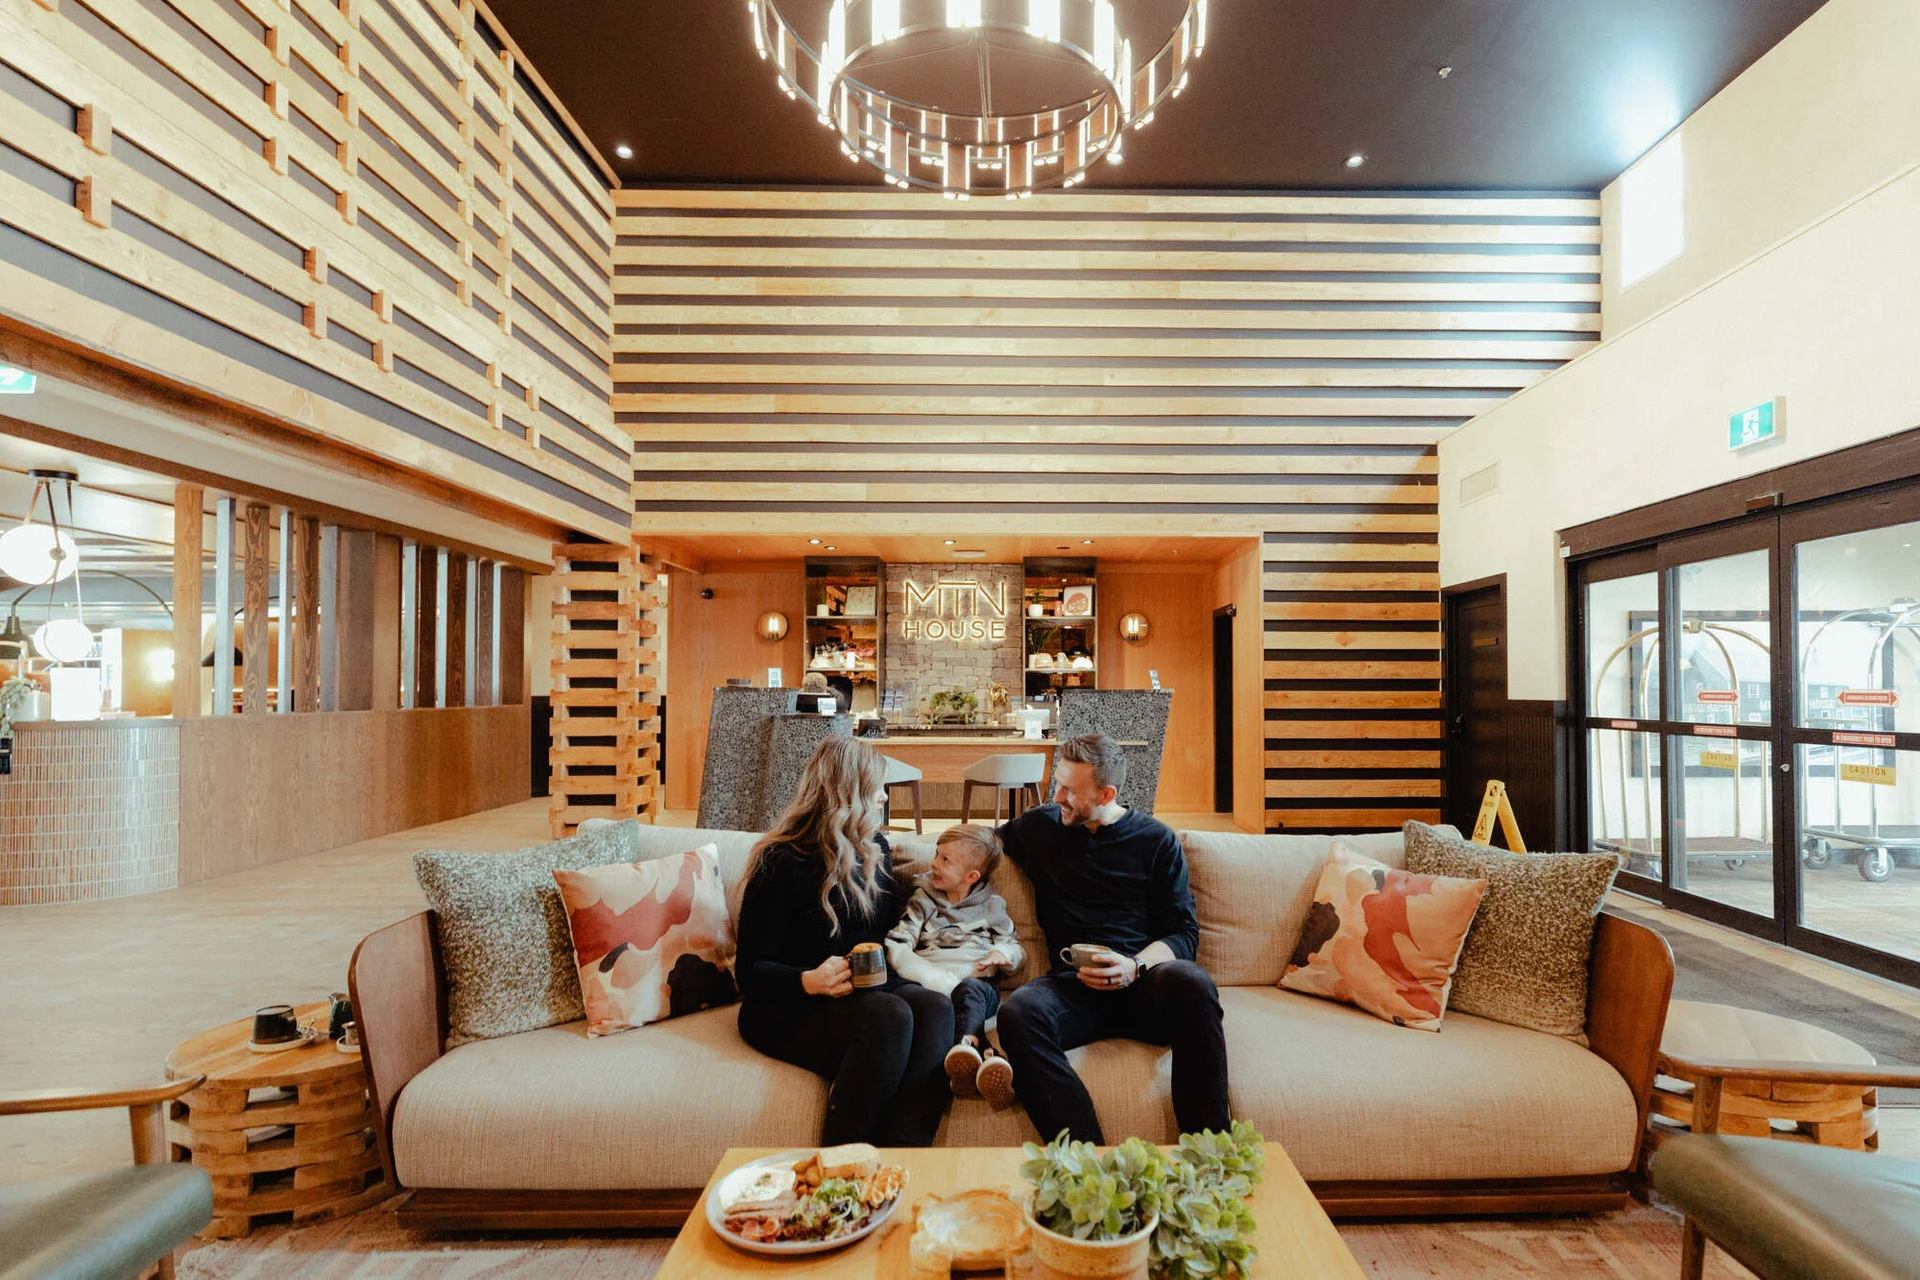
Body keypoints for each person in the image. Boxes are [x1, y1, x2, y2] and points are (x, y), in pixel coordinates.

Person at [994, 733, 1229, 1144]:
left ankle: (1211, 1158)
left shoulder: (1156, 841)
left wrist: (1134, 966)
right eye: (1058, 784)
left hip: (1142, 986)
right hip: (1073, 991)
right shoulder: (1039, 828)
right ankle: (1087, 1164)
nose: (1058, 797)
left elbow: (1183, 933)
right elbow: (980, 845)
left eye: (1070, 790)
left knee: (1192, 982)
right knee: (1018, 1012)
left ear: (1106, 793)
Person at [734, 736, 953, 1146]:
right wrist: (808, 980)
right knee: (891, 1016)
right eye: (877, 789)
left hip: (859, 995)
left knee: (937, 1007)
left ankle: (904, 1156)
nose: (885, 797)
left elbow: (883, 935)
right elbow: (749, 972)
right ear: (848, 794)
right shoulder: (781, 860)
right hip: (789, 1006)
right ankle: (841, 1170)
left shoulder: (877, 851)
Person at [883, 824, 1024, 1107]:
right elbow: (897, 944)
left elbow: (1014, 945)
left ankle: (966, 1049)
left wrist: (1004, 954)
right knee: (940, 1005)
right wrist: (935, 979)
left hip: (977, 984)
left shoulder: (993, 906)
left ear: (971, 876)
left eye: (945, 860)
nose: (934, 863)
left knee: (971, 991)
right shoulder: (923, 900)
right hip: (932, 985)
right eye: (936, 854)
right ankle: (982, 1054)